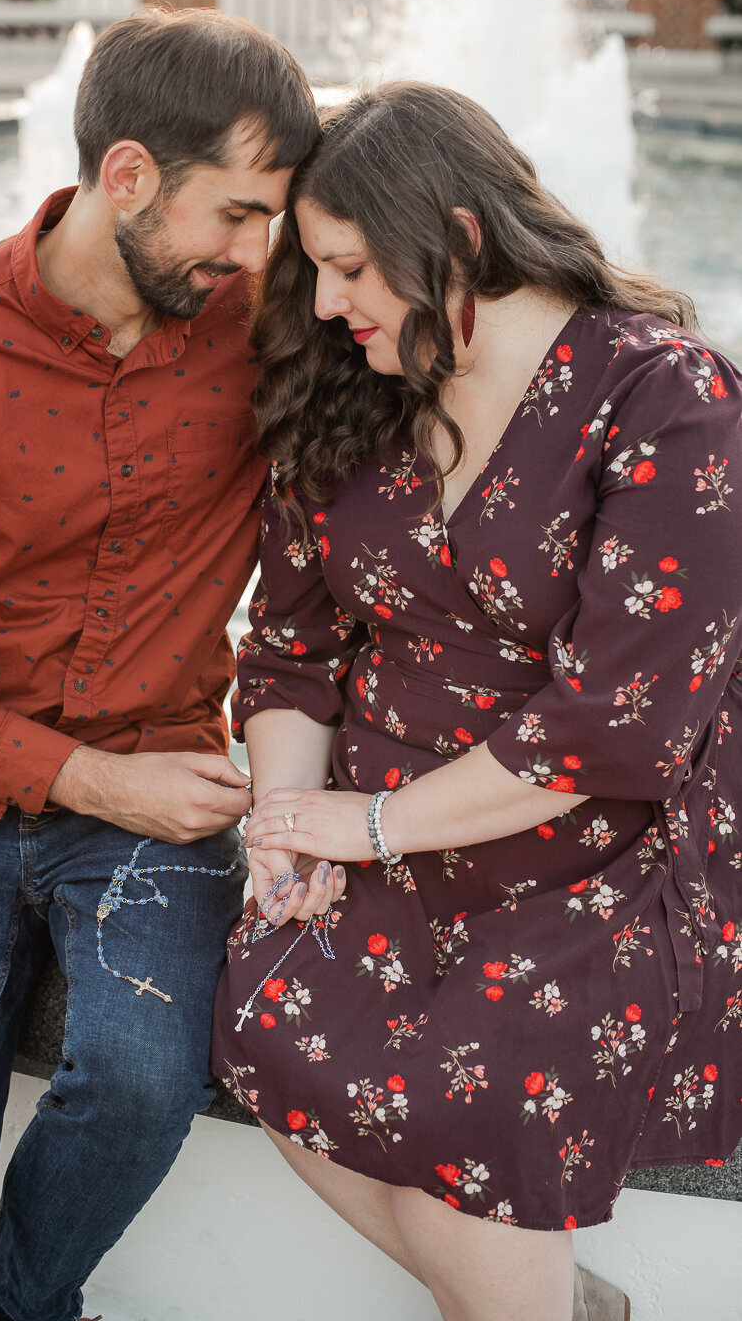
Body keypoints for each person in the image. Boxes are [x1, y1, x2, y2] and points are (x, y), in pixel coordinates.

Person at [212, 82, 742, 1321]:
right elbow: (292, 649)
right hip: (381, 832)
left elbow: (623, 724)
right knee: (258, 1012)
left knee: (486, 1087)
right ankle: (568, 1309)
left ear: (451, 237)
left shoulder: (667, 397)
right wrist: (291, 825)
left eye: (348, 266)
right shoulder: (355, 384)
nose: (327, 301)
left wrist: (369, 826)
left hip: (604, 844)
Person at [0, 8, 318, 1321]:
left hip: (161, 784)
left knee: (147, 1082)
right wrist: (92, 779)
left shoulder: (268, 322)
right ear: (130, 176)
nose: (256, 252)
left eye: (272, 221)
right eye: (237, 213)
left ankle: (17, 1305)